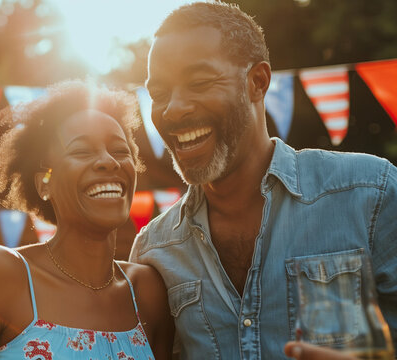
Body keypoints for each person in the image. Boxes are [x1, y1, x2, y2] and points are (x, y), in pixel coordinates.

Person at [129, 2, 397, 359]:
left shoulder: (370, 192)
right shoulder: (153, 251)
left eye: (199, 82)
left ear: (257, 82)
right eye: (159, 94)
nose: (173, 108)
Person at [0, 80, 174, 359]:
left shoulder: (146, 292)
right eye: (82, 151)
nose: (109, 161)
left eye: (120, 151)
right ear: (44, 184)